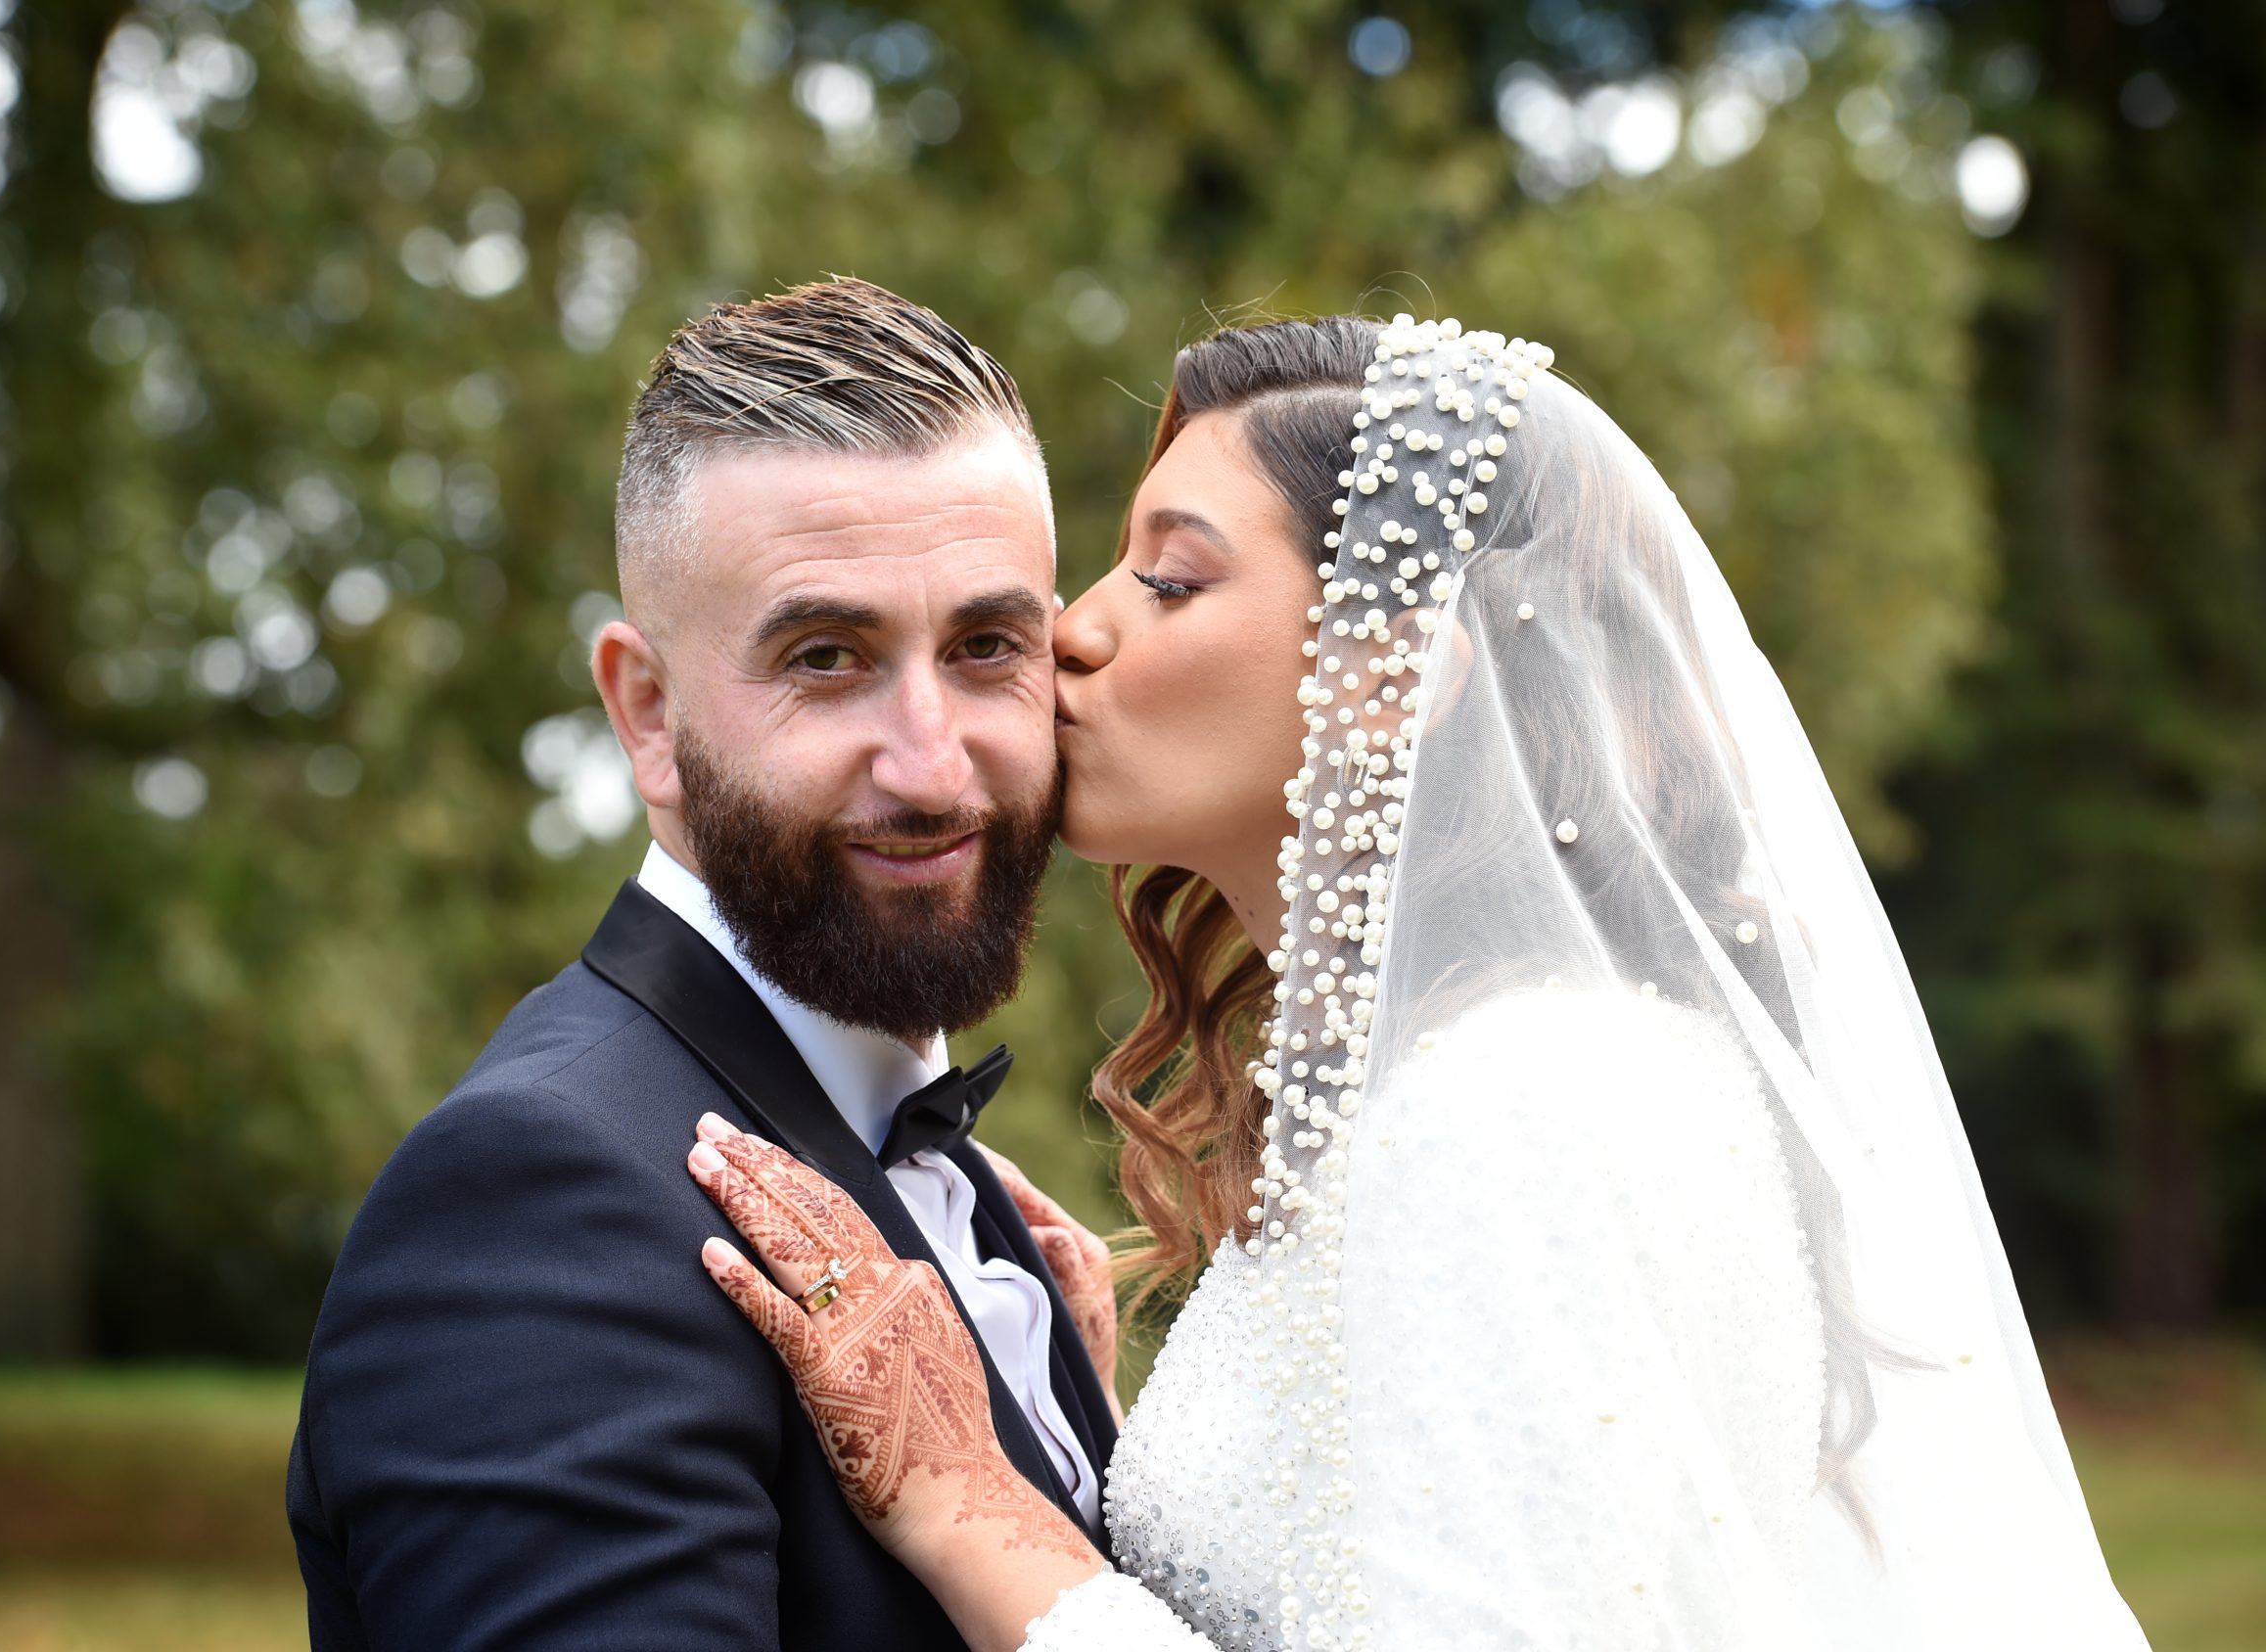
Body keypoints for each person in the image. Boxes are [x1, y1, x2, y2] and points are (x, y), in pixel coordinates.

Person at [687, 314, 2156, 1651]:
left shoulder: (1520, 1114)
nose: (1073, 625)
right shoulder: (1487, 1082)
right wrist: (1077, 1420)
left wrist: (968, 1504)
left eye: (1173, 578)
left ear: (1393, 679)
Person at [287, 278, 1119, 1650]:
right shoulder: (537, 1210)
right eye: (827, 658)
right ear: (648, 714)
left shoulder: (964, 1191)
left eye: (987, 647)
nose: (932, 765)